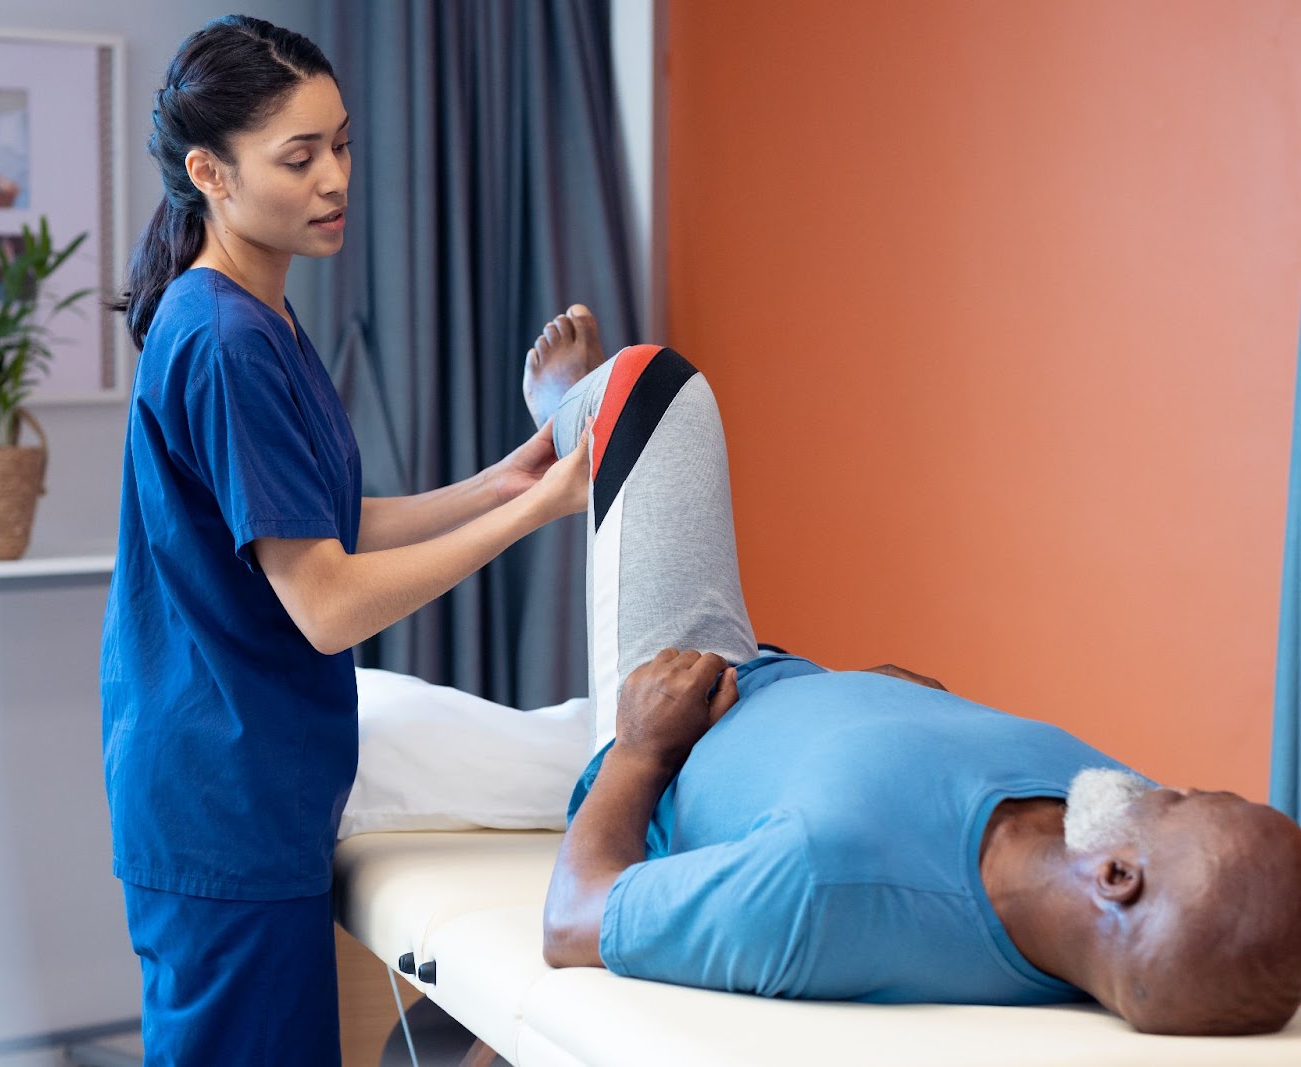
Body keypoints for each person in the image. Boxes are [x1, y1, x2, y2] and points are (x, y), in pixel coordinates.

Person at [509, 311, 1301, 1037]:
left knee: (652, 389)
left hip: (675, 701)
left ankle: (568, 412)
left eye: (1193, 801)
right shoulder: (1096, 817)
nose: (1171, 786)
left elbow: (574, 917)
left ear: (1120, 877)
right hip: (788, 680)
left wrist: (638, 750)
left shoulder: (827, 887)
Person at [99, 16, 590, 1065]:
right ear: (209, 172)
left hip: (247, 781)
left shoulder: (257, 314)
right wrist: (532, 513)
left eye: (342, 144)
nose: (335, 179)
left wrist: (502, 478)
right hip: (222, 796)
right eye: (299, 155)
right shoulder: (226, 339)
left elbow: (318, 520)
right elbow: (323, 601)